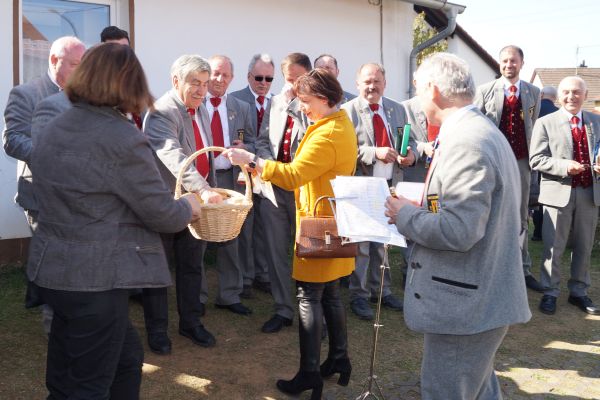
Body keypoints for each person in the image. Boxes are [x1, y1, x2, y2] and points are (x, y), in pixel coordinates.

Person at [26, 42, 204, 399]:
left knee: (111, 364)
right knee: (87, 386)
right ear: (129, 84)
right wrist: (190, 205)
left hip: (55, 272)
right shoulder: (122, 138)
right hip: (95, 281)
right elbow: (161, 213)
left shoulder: (55, 125)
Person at [385, 52, 531, 400]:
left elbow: (459, 231)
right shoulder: (476, 131)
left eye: (418, 89)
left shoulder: (468, 141)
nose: (416, 99)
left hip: (465, 305)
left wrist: (404, 215)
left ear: (433, 89)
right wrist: (425, 209)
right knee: (479, 390)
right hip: (475, 299)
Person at [225, 67, 357, 400]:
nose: (302, 108)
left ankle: (310, 373)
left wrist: (252, 160)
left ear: (324, 99)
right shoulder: (338, 123)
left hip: (320, 223)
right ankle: (338, 358)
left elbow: (294, 175)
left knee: (309, 295)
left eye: (307, 101)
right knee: (330, 293)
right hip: (333, 219)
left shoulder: (328, 132)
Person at [2, 35, 85, 334]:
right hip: (41, 196)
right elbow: (12, 140)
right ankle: (56, 328)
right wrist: (55, 157)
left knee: (75, 260)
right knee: (54, 262)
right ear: (53, 60)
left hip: (80, 195)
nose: (80, 71)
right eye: (74, 64)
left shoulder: (83, 95)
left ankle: (75, 317)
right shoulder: (27, 93)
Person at [143, 55, 222, 354]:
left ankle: (190, 323)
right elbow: (174, 156)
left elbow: (204, 152)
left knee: (192, 266)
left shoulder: (200, 108)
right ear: (176, 81)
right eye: (195, 83)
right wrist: (203, 189)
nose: (202, 90)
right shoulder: (162, 111)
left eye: (205, 83)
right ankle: (157, 332)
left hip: (194, 203)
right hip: (165, 204)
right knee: (158, 272)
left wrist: (209, 189)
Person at [341, 63, 415, 320]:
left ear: (385, 83)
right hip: (362, 185)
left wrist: (410, 154)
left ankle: (382, 291)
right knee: (362, 245)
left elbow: (409, 140)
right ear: (357, 84)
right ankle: (359, 295)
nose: (372, 86)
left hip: (391, 184)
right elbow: (345, 149)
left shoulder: (397, 109)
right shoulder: (347, 111)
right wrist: (375, 152)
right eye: (367, 82)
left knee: (384, 242)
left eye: (377, 81)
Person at [473, 45, 543, 293]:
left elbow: (532, 125)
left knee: (521, 214)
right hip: (494, 160)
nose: (508, 65)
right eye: (504, 61)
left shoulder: (534, 92)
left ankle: (522, 268)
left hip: (522, 161)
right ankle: (488, 266)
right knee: (490, 210)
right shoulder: (485, 91)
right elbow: (477, 124)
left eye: (513, 61)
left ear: (522, 63)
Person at [530, 76, 600, 316]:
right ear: (559, 96)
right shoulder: (545, 123)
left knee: (584, 245)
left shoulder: (596, 121)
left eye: (577, 92)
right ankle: (550, 291)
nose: (571, 96)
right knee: (553, 247)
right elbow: (536, 159)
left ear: (585, 95)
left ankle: (578, 291)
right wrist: (564, 166)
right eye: (567, 92)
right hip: (557, 193)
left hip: (590, 193)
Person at [254, 52, 311, 333]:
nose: (292, 86)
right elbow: (263, 140)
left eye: (297, 80)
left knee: (307, 251)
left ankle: (310, 309)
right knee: (276, 251)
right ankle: (283, 309)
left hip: (303, 190)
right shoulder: (275, 102)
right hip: (274, 187)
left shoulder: (315, 105)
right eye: (288, 80)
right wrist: (269, 165)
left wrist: (296, 104)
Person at [202, 55, 255, 315]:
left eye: (225, 75)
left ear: (232, 78)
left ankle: (230, 294)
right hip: (202, 179)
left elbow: (251, 140)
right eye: (215, 73)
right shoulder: (196, 104)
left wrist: (245, 145)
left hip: (230, 179)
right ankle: (197, 297)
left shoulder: (240, 107)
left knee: (231, 237)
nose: (219, 79)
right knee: (199, 239)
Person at [230, 53, 275, 298]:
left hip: (267, 172)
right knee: (245, 227)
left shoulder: (277, 103)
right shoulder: (235, 100)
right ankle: (245, 278)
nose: (263, 83)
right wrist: (246, 150)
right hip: (242, 173)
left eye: (269, 78)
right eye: (259, 78)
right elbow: (233, 139)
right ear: (249, 76)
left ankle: (263, 274)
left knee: (265, 226)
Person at [531, 86, 559, 241]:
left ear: (541, 94)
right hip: (553, 161)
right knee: (548, 196)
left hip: (532, 158)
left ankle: (535, 232)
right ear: (556, 98)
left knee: (534, 195)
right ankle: (546, 231)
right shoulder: (559, 114)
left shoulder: (533, 111)